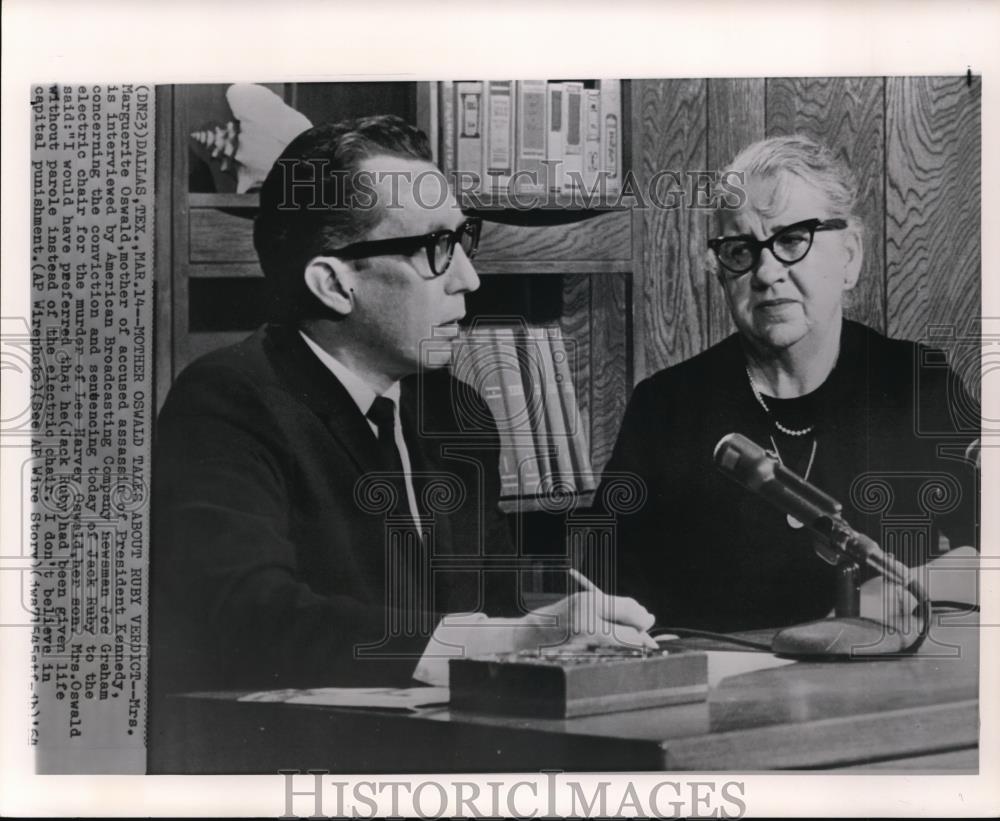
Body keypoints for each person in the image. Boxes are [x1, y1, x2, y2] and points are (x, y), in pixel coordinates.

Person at [149, 116, 655, 742]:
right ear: (334, 283)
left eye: (463, 240)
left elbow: (493, 602)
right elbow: (250, 617)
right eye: (433, 249)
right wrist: (516, 636)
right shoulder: (228, 400)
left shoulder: (454, 410)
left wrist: (560, 627)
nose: (468, 277)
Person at [598, 134, 978, 633]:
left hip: (878, 687)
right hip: (717, 694)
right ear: (721, 274)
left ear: (849, 256)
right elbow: (601, 595)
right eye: (740, 250)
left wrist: (898, 591)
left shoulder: (917, 384)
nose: (766, 272)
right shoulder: (665, 408)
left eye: (792, 240)